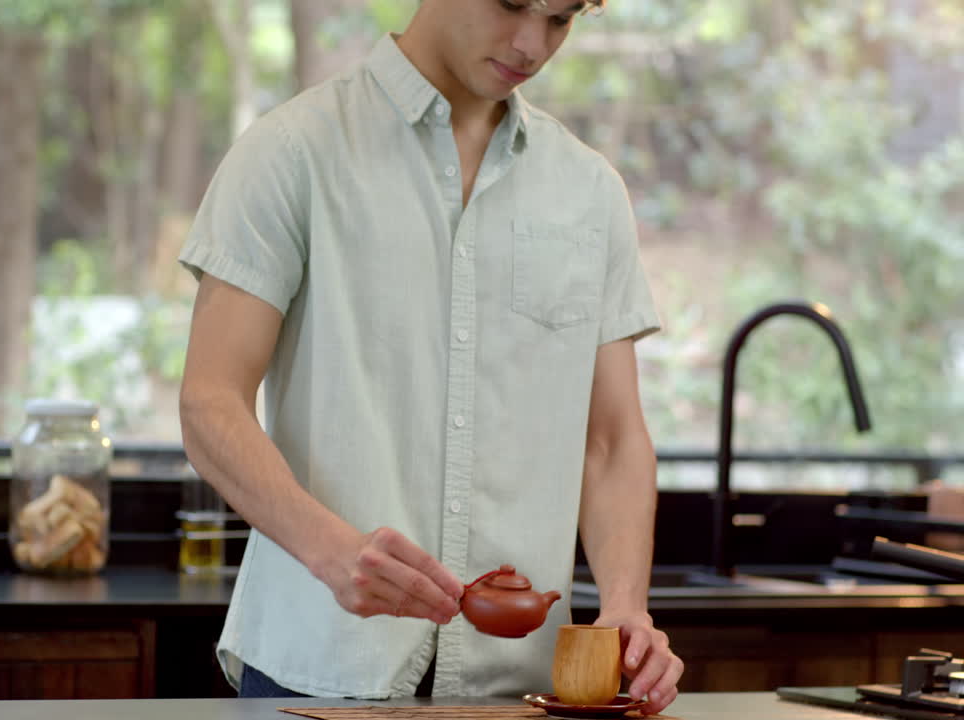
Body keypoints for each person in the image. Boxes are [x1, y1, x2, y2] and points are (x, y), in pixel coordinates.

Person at [177, 0, 684, 713]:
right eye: (513, 5)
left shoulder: (590, 192)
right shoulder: (292, 151)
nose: (532, 44)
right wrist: (332, 551)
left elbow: (612, 439)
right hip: (316, 678)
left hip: (524, 688)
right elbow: (210, 403)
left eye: (562, 19)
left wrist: (626, 607)